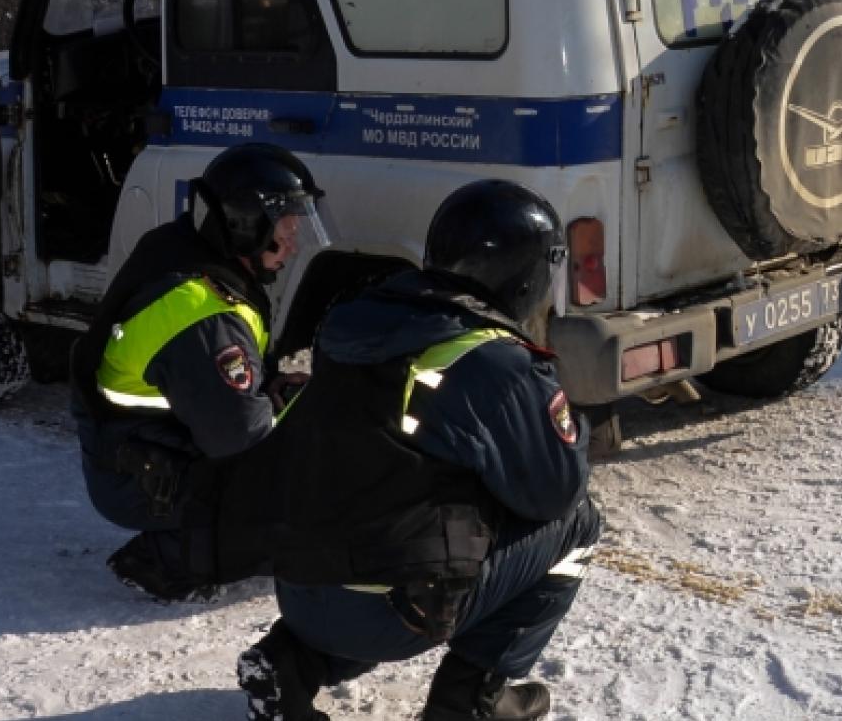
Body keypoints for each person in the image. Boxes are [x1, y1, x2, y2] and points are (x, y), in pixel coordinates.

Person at [236, 180, 600, 721]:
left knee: (380, 512)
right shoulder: (495, 362)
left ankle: (291, 663)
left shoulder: (352, 322)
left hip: (300, 587)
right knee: (578, 522)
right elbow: (555, 490)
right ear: (526, 274)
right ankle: (468, 701)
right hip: (390, 611)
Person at [70, 142, 329, 602]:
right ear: (245, 226)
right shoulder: (203, 311)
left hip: (139, 447)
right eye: (286, 227)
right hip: (140, 474)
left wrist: (270, 386)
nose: (293, 241)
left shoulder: (190, 252)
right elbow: (238, 434)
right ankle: (170, 558)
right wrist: (292, 407)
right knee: (297, 493)